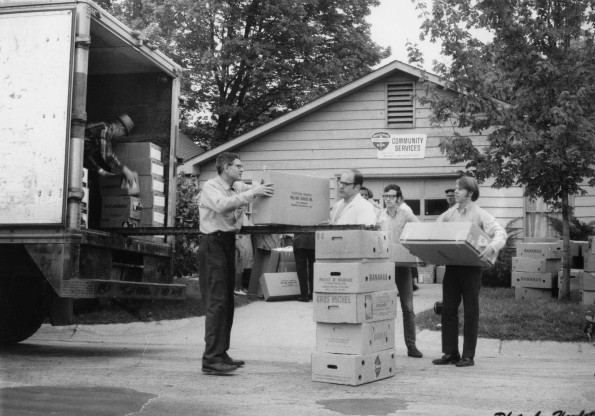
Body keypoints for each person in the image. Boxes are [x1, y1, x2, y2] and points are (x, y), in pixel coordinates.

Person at [197, 152, 274, 375]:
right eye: (238, 166)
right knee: (216, 302)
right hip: (213, 244)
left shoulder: (236, 187)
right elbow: (222, 206)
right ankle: (211, 359)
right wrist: (252, 192)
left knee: (227, 302)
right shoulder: (211, 187)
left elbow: (252, 188)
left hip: (228, 243)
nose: (241, 170)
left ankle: (221, 353)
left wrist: (259, 186)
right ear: (225, 167)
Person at [432, 176, 507, 368]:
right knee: (448, 309)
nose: (455, 191)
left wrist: (491, 248)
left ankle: (468, 356)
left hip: (472, 269)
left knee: (470, 311)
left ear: (470, 193)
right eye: (455, 188)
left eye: (460, 189)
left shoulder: (481, 214)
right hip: (453, 266)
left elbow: (501, 233)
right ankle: (450, 353)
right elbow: (434, 230)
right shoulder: (450, 213)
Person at [376, 184, 423, 358]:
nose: (388, 199)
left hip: (402, 266)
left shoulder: (406, 213)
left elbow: (419, 228)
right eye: (385, 196)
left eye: (391, 196)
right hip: (383, 266)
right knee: (380, 307)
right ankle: (380, 346)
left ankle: (411, 346)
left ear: (398, 198)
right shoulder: (379, 216)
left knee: (408, 307)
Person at [84, 113, 139, 195]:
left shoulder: (103, 130)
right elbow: (107, 156)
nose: (120, 137)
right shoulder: (105, 129)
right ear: (121, 130)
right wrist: (125, 170)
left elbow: (86, 156)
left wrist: (100, 171)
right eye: (122, 135)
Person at [293, 233, 315, 302]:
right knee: (314, 269)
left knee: (301, 269)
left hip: (300, 241)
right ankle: (314, 294)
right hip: (313, 242)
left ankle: (304, 296)